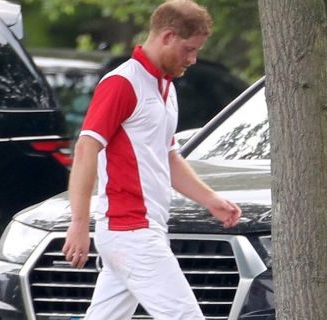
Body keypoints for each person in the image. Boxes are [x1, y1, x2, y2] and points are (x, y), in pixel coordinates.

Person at [61, 1, 241, 319]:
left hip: (138, 231)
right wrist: (78, 224)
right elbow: (86, 148)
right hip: (132, 231)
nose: (193, 59)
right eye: (188, 49)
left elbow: (168, 156)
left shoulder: (165, 87)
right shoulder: (122, 83)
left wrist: (210, 199)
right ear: (168, 36)